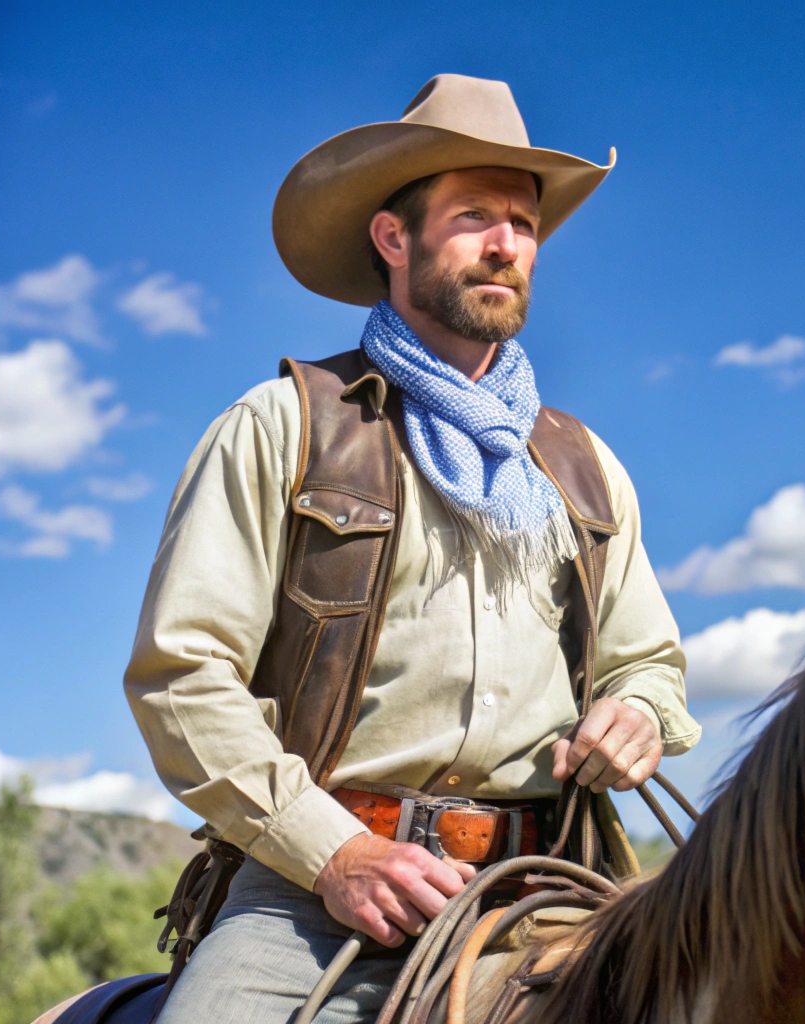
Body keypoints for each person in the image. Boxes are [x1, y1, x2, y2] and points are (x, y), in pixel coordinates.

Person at [125, 73, 699, 1022]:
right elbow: (183, 677)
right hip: (316, 897)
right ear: (394, 238)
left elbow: (648, 664)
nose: (507, 245)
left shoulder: (583, 467)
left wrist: (637, 713)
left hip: (550, 891)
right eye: (475, 216)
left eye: (522, 223)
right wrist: (335, 853)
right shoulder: (285, 427)